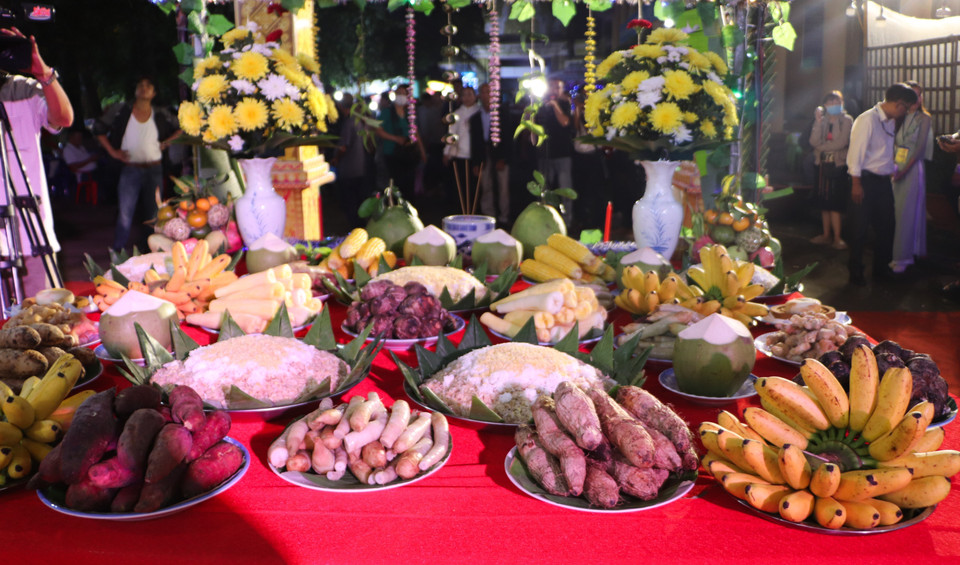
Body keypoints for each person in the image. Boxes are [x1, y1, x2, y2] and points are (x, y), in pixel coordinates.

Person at [0, 28, 73, 298]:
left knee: (46, 327)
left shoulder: (23, 89)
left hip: (31, 235)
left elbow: (64, 118)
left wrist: (43, 74)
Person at [94, 76, 180, 252]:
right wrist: (113, 152)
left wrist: (167, 142)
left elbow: (183, 127)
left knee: (154, 215)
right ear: (135, 91)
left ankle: (152, 252)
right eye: (140, 85)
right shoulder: (122, 111)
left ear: (154, 93)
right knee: (125, 214)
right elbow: (98, 129)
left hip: (154, 169)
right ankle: (118, 253)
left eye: (148, 86)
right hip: (130, 169)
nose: (144, 88)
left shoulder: (161, 113)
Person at [845, 83, 917, 286]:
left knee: (887, 227)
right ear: (898, 103)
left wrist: (892, 168)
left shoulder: (890, 121)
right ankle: (855, 270)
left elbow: (885, 150)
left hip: (883, 181)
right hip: (865, 180)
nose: (906, 112)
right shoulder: (867, 120)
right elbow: (855, 153)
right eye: (906, 107)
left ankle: (881, 268)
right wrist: (856, 183)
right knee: (859, 229)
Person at [889, 81, 933, 274]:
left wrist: (903, 171)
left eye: (918, 95)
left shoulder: (924, 119)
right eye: (911, 95)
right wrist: (893, 168)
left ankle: (904, 256)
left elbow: (920, 149)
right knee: (895, 213)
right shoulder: (900, 116)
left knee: (907, 212)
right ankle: (895, 252)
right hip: (896, 167)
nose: (915, 99)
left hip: (912, 169)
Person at [808, 91, 853, 249]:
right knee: (823, 201)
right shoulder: (823, 120)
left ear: (842, 103)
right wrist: (818, 122)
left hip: (837, 165)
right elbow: (813, 140)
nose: (833, 105)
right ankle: (826, 235)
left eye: (837, 102)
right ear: (825, 105)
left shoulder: (846, 120)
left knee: (835, 202)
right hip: (821, 165)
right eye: (830, 102)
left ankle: (837, 238)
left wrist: (821, 148)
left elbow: (841, 143)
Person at [375, 84, 424, 197]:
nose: (400, 96)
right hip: (392, 153)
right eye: (398, 93)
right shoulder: (386, 112)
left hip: (408, 154)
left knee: (409, 184)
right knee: (395, 184)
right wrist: (396, 139)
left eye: (403, 94)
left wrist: (422, 151)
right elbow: (378, 130)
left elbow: (416, 133)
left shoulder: (409, 114)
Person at [536, 79, 574, 223]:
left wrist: (555, 105)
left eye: (557, 87)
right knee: (544, 189)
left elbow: (565, 122)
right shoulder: (541, 105)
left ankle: (567, 220)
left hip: (563, 153)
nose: (554, 90)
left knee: (565, 188)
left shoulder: (564, 104)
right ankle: (545, 219)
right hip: (545, 154)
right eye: (551, 86)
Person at [473, 83, 510, 225]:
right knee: (485, 185)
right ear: (480, 95)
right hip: (483, 152)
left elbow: (507, 137)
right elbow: (475, 141)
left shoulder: (502, 113)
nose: (486, 95)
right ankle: (489, 217)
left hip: (499, 153)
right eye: (483, 92)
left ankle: (504, 217)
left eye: (489, 92)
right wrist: (476, 162)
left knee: (503, 186)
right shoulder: (476, 115)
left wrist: (504, 158)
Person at [332, 93, 369, 228]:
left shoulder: (349, 122)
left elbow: (344, 147)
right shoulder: (358, 120)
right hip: (359, 168)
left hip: (349, 170)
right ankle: (359, 227)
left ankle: (355, 228)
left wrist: (336, 158)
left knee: (350, 202)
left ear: (340, 106)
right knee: (358, 201)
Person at [443, 86, 482, 211]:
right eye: (464, 94)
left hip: (475, 155)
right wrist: (446, 152)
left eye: (470, 94)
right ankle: (461, 210)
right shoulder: (457, 114)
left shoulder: (480, 111)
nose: (467, 97)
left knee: (475, 187)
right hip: (460, 154)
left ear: (475, 96)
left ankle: (475, 211)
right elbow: (451, 134)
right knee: (461, 186)